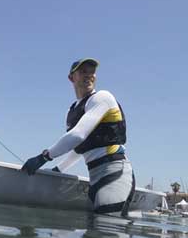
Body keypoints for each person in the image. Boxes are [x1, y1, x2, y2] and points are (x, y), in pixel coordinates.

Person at [20, 58, 135, 216]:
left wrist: (44, 157)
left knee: (105, 230)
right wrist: (58, 169)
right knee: (94, 230)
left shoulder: (102, 97)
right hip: (94, 175)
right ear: (71, 77)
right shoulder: (72, 110)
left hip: (114, 172)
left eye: (92, 72)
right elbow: (79, 148)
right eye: (83, 72)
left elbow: (77, 135)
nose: (89, 75)